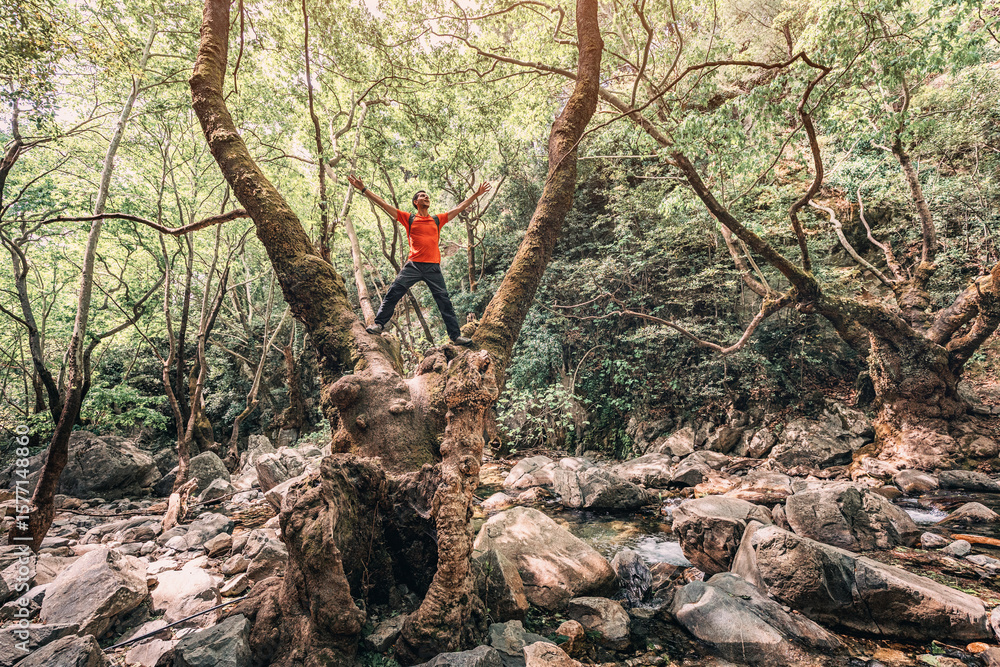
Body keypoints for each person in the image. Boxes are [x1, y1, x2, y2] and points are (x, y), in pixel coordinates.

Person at [347, 174, 491, 346]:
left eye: (427, 196)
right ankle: (379, 324)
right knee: (393, 293)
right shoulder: (409, 218)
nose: (426, 197)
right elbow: (384, 204)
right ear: (416, 202)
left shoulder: (437, 220)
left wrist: (477, 194)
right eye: (422, 196)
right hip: (413, 266)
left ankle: (455, 336)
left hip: (433, 268)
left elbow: (460, 207)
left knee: (444, 301)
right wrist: (363, 189)